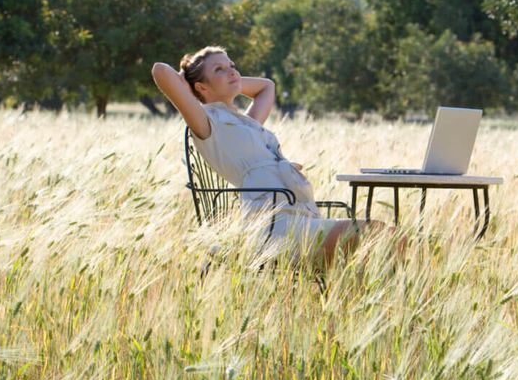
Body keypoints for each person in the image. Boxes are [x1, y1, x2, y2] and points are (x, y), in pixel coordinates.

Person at [151, 46, 374, 261]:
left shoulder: (249, 123)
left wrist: (230, 80)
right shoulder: (206, 123)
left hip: (300, 215)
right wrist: (189, 83)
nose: (232, 71)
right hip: (273, 228)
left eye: (232, 65)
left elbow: (267, 86)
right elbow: (161, 71)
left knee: (390, 236)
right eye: (219, 69)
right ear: (200, 88)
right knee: (377, 233)